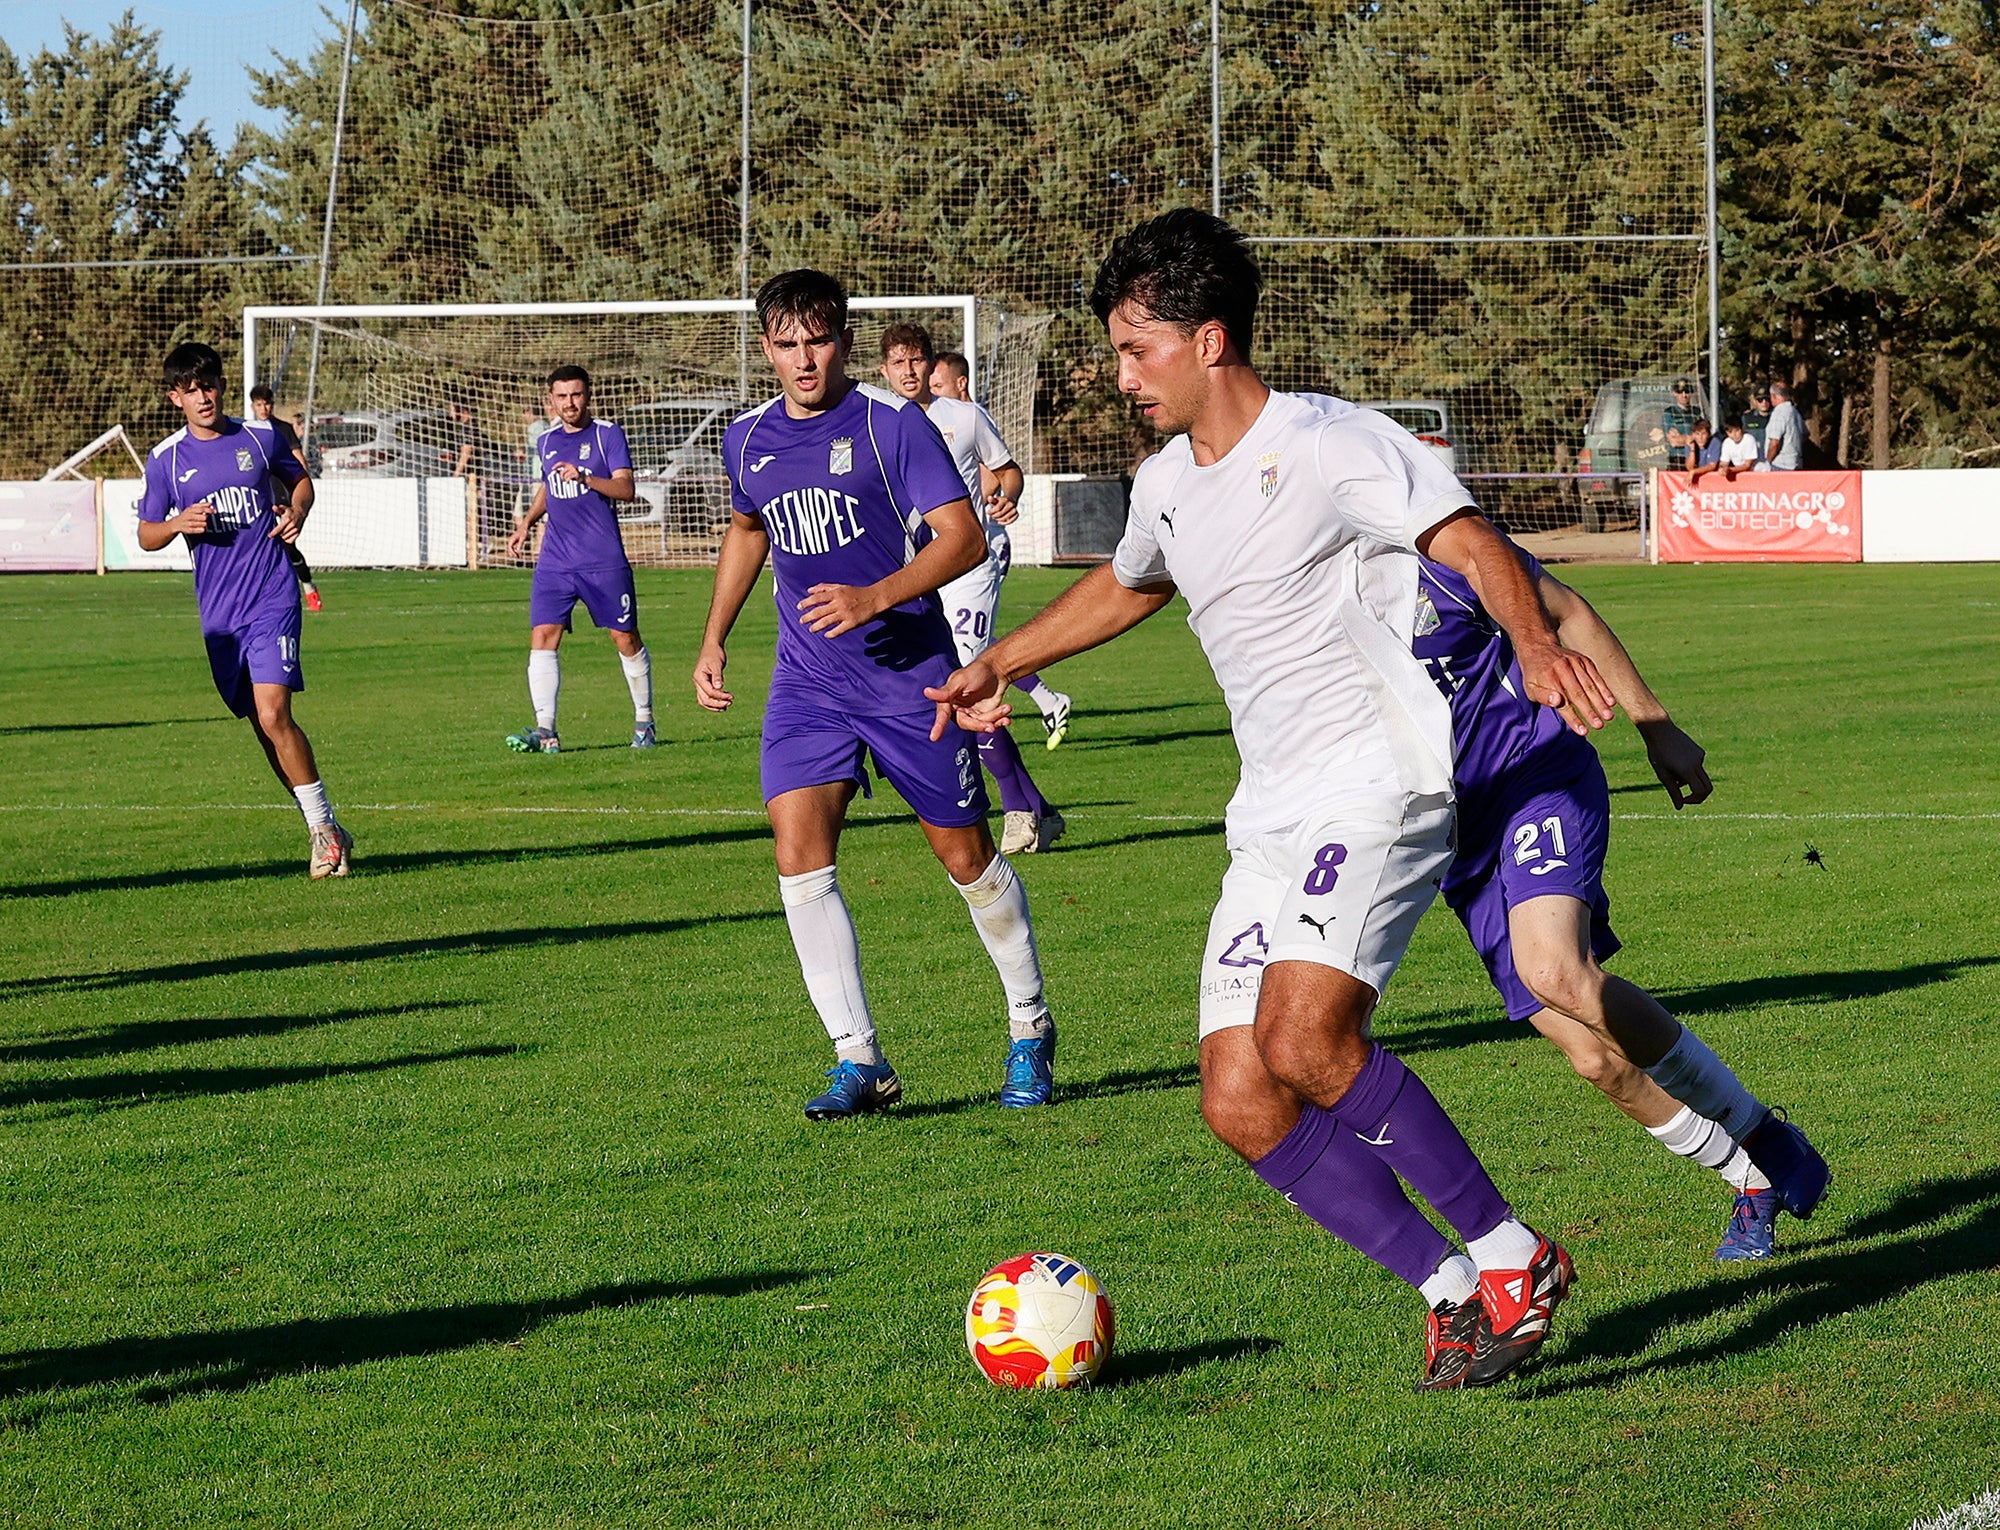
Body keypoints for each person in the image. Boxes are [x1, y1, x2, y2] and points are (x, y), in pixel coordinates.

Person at [930, 210, 1620, 1390]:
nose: (1122, 375)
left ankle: (1513, 1256)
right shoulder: (1164, 481)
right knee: (1239, 1096)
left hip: (1376, 784)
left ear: (1207, 341)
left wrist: (1534, 645)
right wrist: (1001, 658)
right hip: (1268, 815)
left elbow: (1468, 540)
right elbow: (1130, 584)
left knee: (1305, 1040)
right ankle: (1451, 1293)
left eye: (1136, 350)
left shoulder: (1329, 443)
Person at [695, 269, 1060, 1118]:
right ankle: (859, 1058)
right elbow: (747, 530)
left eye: (818, 341)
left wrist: (874, 597)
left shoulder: (892, 425)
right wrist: (714, 635)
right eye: (786, 344)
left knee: (966, 859)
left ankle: (1030, 1025)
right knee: (798, 857)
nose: (804, 359)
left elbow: (962, 538)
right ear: (765, 349)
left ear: (845, 341)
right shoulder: (747, 439)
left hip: (909, 677)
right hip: (807, 681)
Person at [1409, 545, 1831, 1261]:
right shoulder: (1306, 592)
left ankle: (1760, 1133)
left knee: (1555, 970)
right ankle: (1749, 1176)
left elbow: (1567, 610)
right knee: (1592, 1059)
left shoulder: (1440, 544)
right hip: (1454, 833)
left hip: (1534, 775)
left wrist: (1654, 723)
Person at [136, 343, 351, 878]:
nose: (203, 397)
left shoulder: (259, 437)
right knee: (262, 726)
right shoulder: (166, 459)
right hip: (219, 615)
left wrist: (296, 510)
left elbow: (300, 481)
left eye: (209, 385)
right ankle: (323, 825)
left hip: (272, 594)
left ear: (221, 386)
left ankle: (323, 834)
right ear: (176, 398)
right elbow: (146, 534)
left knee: (275, 713)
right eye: (191, 390)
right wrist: (176, 524)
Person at [879, 323, 1064, 855]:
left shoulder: (964, 417)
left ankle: (1017, 814)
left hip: (968, 567)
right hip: (915, 572)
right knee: (937, 687)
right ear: (885, 370)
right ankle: (1039, 809)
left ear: (930, 365)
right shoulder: (877, 421)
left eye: (917, 360)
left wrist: (1007, 497)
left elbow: (1007, 470)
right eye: (898, 362)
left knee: (965, 684)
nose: (909, 371)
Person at [928, 350, 1076, 750]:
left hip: (982, 548)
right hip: (943, 554)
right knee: (972, 650)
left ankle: (1005, 780)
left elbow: (997, 476)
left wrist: (987, 497)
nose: (931, 390)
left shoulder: (970, 418)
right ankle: (1048, 701)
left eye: (938, 384)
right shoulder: (925, 420)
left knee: (966, 666)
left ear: (960, 383)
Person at [504, 366, 655, 752]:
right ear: (550, 401)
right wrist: (526, 523)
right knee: (543, 636)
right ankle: (546, 732)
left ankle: (644, 721)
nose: (569, 403)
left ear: (588, 395)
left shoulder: (607, 435)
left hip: (602, 559)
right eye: (562, 396)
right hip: (555, 559)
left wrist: (585, 477)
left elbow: (626, 489)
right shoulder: (546, 440)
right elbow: (548, 486)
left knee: (624, 637)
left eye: (576, 394)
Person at [248, 384, 323, 612]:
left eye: (267, 404)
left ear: (272, 405)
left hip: (282, 492)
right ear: (253, 406)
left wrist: (300, 486)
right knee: (260, 544)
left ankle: (308, 587)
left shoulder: (283, 429)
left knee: (288, 545)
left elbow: (298, 460)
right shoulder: (248, 431)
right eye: (259, 404)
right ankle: (266, 597)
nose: (264, 408)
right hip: (260, 494)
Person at [1764, 381, 1806, 470]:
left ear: (1773, 396)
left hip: (1780, 465)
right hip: (1796, 463)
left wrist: (1767, 462)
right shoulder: (1795, 412)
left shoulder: (1779, 413)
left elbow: (1775, 442)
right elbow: (1805, 434)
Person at [1661, 379, 1702, 463]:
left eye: (1687, 392)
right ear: (1674, 393)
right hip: (1678, 457)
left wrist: (1682, 438)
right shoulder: (1669, 413)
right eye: (1680, 392)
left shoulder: (1697, 412)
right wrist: (1695, 437)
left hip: (1697, 455)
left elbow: (1704, 437)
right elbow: (1674, 442)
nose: (1684, 395)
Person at [1740, 385, 1772, 456]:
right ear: (1755, 401)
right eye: (1760, 400)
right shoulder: (1747, 418)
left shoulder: (1777, 416)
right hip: (1754, 457)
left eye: (1767, 399)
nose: (1764, 402)